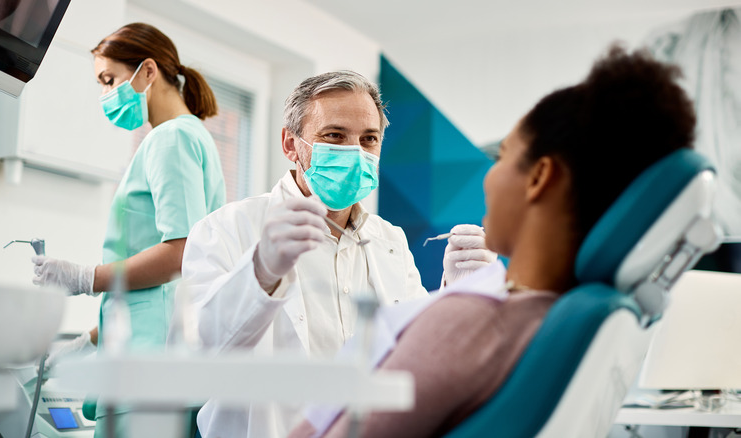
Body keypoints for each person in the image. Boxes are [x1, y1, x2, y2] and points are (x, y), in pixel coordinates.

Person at [288, 44, 698, 438]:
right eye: (335, 137)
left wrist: (451, 305)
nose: (488, 176)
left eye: (501, 156)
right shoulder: (566, 316)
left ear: (539, 177)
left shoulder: (469, 323)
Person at [180, 70, 496, 438]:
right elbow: (196, 360)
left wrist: (455, 295)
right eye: (334, 136)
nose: (355, 152)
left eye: (369, 139)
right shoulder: (228, 228)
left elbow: (416, 358)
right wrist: (261, 272)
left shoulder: (389, 239)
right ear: (290, 144)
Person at [30, 22, 226, 436]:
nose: (106, 94)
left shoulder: (170, 139)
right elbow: (162, 292)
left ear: (148, 71)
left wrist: (87, 278)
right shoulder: (191, 138)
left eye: (109, 79)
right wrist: (89, 340)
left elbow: (179, 252)